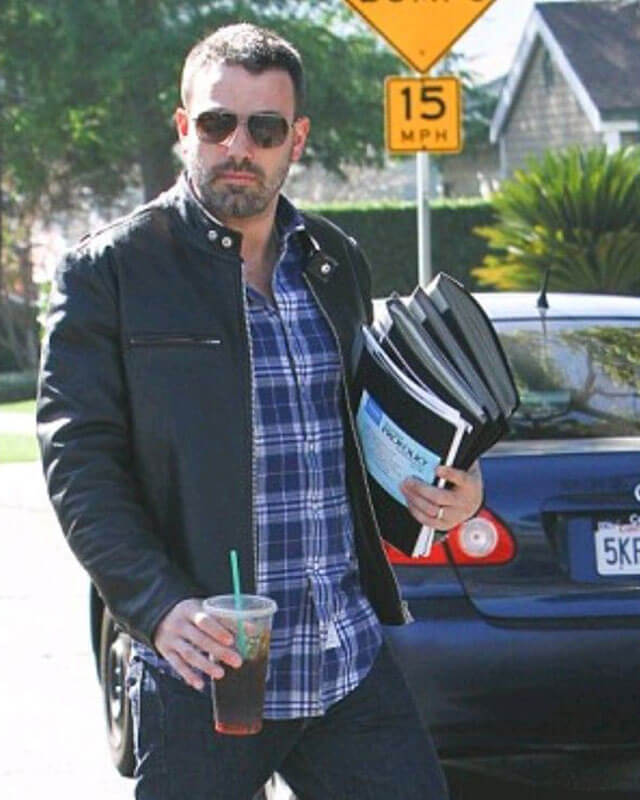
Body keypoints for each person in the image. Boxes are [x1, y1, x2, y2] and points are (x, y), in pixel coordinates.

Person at [37, 23, 482, 800]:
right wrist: (156, 604)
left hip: (345, 660)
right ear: (184, 127)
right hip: (205, 670)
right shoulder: (111, 270)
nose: (237, 146)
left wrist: (452, 488)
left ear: (295, 140)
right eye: (217, 123)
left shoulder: (334, 261)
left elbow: (367, 431)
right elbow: (80, 462)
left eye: (264, 129)